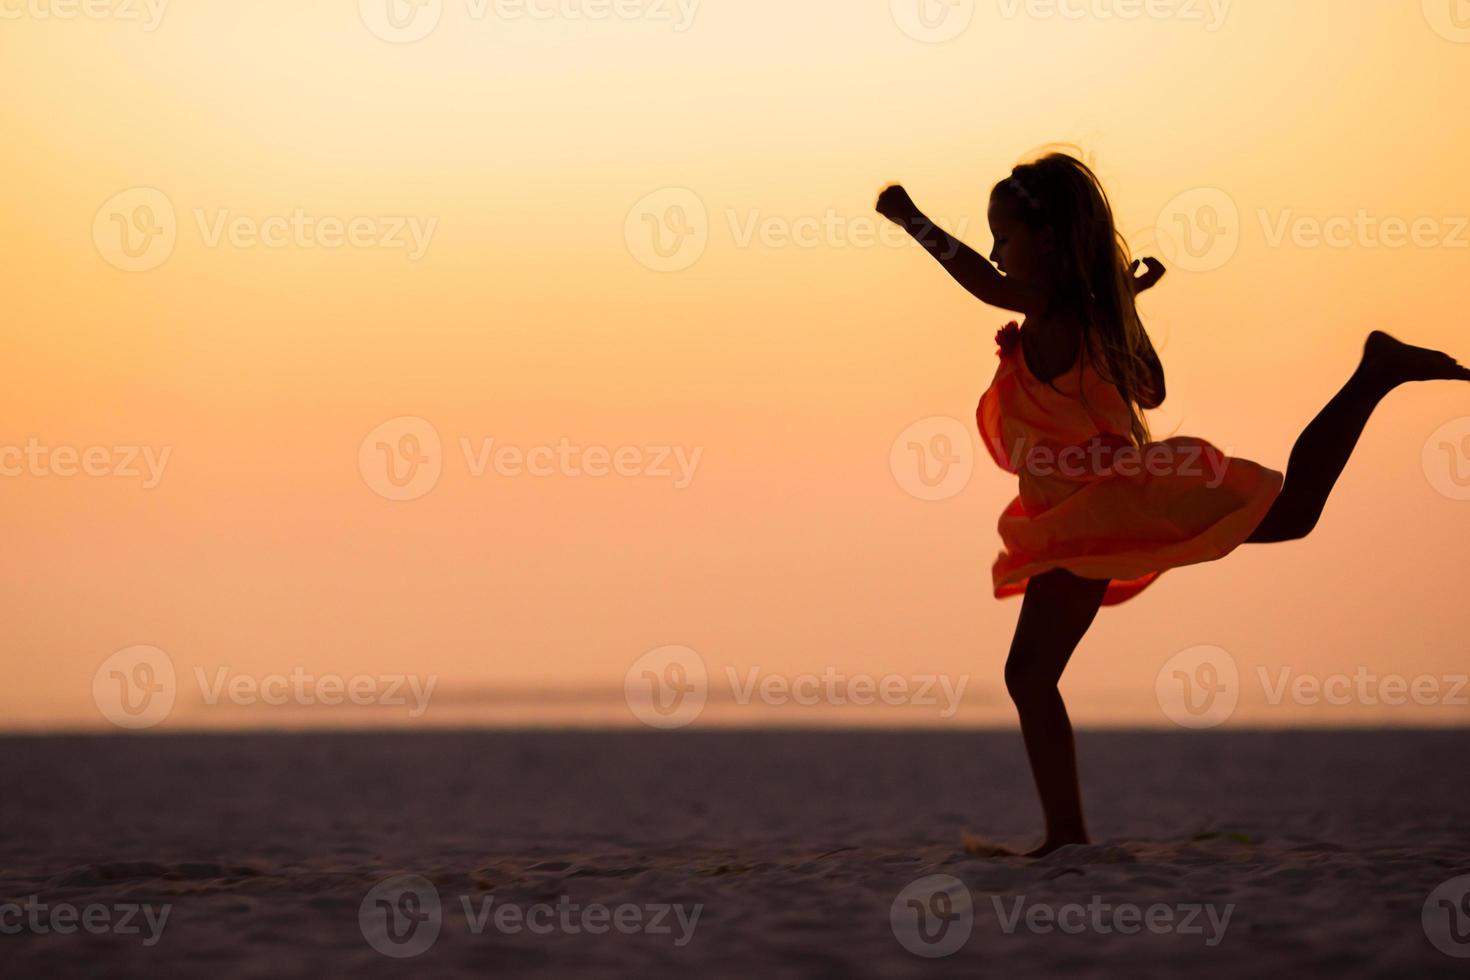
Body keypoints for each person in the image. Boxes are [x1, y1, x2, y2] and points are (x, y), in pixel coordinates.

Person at [875, 151, 1470, 856]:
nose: (999, 253)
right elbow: (1148, 388)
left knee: (1029, 675)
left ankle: (1067, 837)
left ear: (1050, 242)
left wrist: (912, 218)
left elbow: (981, 284)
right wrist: (1117, 305)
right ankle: (1375, 374)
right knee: (1296, 514)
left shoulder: (1061, 309)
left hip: (1098, 514)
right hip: (1090, 510)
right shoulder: (1083, 313)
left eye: (1005, 237)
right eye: (994, 238)